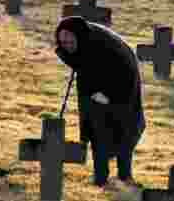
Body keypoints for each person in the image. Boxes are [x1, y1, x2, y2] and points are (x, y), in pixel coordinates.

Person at [53, 15, 146, 187]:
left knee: (124, 131)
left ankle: (125, 175)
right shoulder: (84, 43)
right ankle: (101, 178)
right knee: (97, 132)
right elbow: (78, 62)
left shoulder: (103, 47)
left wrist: (108, 95)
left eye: (70, 41)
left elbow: (123, 74)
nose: (66, 45)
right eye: (63, 41)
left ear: (79, 37)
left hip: (122, 89)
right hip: (94, 89)